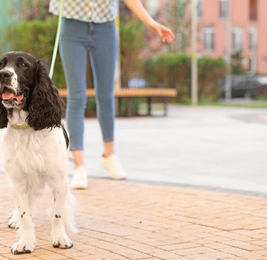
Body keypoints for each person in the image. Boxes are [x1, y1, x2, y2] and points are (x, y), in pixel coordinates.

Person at [49, 0, 174, 189]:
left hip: (105, 28)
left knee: (106, 96)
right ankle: (79, 166)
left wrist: (149, 22)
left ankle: (109, 156)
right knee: (77, 97)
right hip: (72, 26)